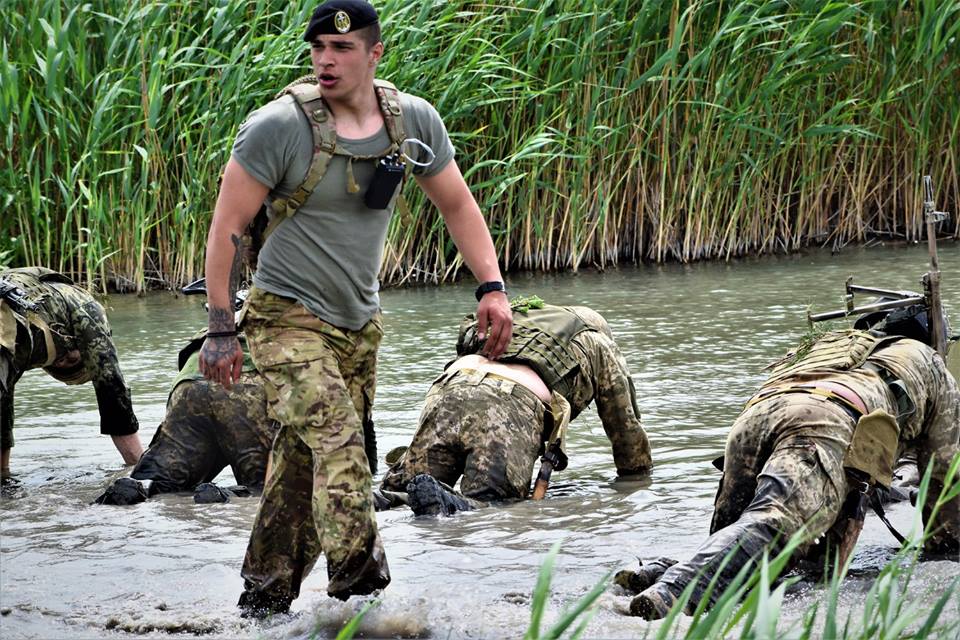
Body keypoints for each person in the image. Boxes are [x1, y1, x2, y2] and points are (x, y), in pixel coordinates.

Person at [198, 0, 513, 617]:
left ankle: (262, 603)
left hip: (358, 329)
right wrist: (219, 329)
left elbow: (456, 204)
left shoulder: (411, 121)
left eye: (342, 49)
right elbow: (226, 228)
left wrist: (492, 288)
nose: (326, 60)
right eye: (318, 48)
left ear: (375, 54)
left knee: (298, 462)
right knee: (342, 444)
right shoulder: (278, 126)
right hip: (283, 317)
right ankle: (362, 597)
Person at [619, 316, 960, 621]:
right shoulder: (929, 363)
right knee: (773, 524)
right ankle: (672, 592)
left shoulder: (835, 343)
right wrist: (945, 546)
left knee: (743, 555)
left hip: (754, 418)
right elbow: (946, 477)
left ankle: (660, 572)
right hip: (824, 420)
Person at [378, 302, 652, 515]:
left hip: (447, 392)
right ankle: (454, 505)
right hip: (508, 405)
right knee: (493, 508)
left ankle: (371, 500)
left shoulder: (516, 314)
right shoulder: (597, 342)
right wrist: (638, 479)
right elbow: (625, 429)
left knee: (405, 489)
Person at [93, 332, 278, 505]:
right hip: (245, 383)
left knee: (160, 487)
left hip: (190, 384)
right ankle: (224, 497)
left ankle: (130, 492)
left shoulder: (238, 317)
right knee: (268, 491)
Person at [0, 267, 143, 479]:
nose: (63, 361)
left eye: (65, 366)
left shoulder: (28, 348)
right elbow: (111, 389)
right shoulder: (86, 308)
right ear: (77, 346)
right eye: (73, 360)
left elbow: (4, 408)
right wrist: (141, 468)